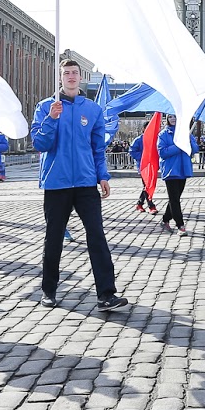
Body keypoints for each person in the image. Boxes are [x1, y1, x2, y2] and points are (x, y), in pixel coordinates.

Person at [30, 59, 127, 312]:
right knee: (54, 239)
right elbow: (40, 144)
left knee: (97, 236)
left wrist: (102, 175)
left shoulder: (93, 110)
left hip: (85, 183)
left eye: (74, 73)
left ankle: (106, 293)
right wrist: (51, 118)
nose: (71, 77)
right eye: (66, 73)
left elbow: (97, 148)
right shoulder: (45, 107)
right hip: (56, 182)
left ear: (81, 76)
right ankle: (48, 290)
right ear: (59, 77)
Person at [157, 115, 198, 236]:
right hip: (170, 170)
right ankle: (180, 225)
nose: (173, 118)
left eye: (175, 116)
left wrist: (188, 141)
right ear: (167, 119)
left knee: (174, 199)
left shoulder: (186, 133)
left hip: (183, 169)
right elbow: (162, 152)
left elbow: (195, 149)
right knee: (174, 200)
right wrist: (179, 146)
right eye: (170, 117)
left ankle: (165, 219)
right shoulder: (163, 134)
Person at [129, 125, 157, 214]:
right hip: (143, 166)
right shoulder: (138, 140)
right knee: (147, 185)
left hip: (151, 165)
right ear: (144, 129)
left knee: (147, 186)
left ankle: (139, 204)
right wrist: (143, 157)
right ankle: (151, 206)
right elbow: (132, 151)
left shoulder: (154, 139)